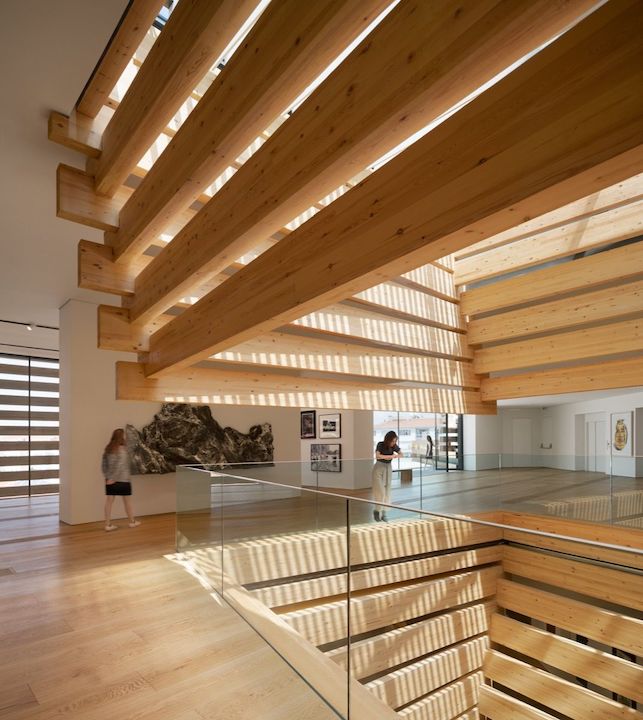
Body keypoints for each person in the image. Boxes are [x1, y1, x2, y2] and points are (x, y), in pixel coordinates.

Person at [102, 428, 140, 531]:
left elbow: (104, 465)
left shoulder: (108, 449)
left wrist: (108, 477)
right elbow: (120, 465)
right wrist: (114, 478)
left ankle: (107, 525)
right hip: (123, 480)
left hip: (110, 480)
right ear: (121, 437)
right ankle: (132, 522)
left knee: (109, 502)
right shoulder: (122, 450)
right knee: (127, 502)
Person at [372, 430, 403, 521]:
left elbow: (401, 454)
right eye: (393, 441)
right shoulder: (380, 444)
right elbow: (377, 456)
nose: (394, 443)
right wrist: (391, 456)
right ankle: (377, 511)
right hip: (379, 468)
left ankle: (384, 513)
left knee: (387, 492)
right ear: (388, 439)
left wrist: (393, 456)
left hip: (388, 468)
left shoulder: (394, 446)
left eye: (395, 441)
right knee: (380, 492)